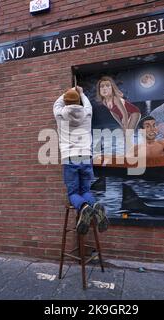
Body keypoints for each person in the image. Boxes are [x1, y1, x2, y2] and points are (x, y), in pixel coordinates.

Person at [54, 86, 109, 234]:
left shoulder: (60, 115)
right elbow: (88, 104)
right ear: (79, 101)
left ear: (65, 101)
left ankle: (84, 207)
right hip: (86, 157)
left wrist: (67, 92)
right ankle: (95, 206)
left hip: (69, 157)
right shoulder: (86, 114)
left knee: (73, 193)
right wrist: (81, 93)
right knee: (85, 190)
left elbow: (56, 104)